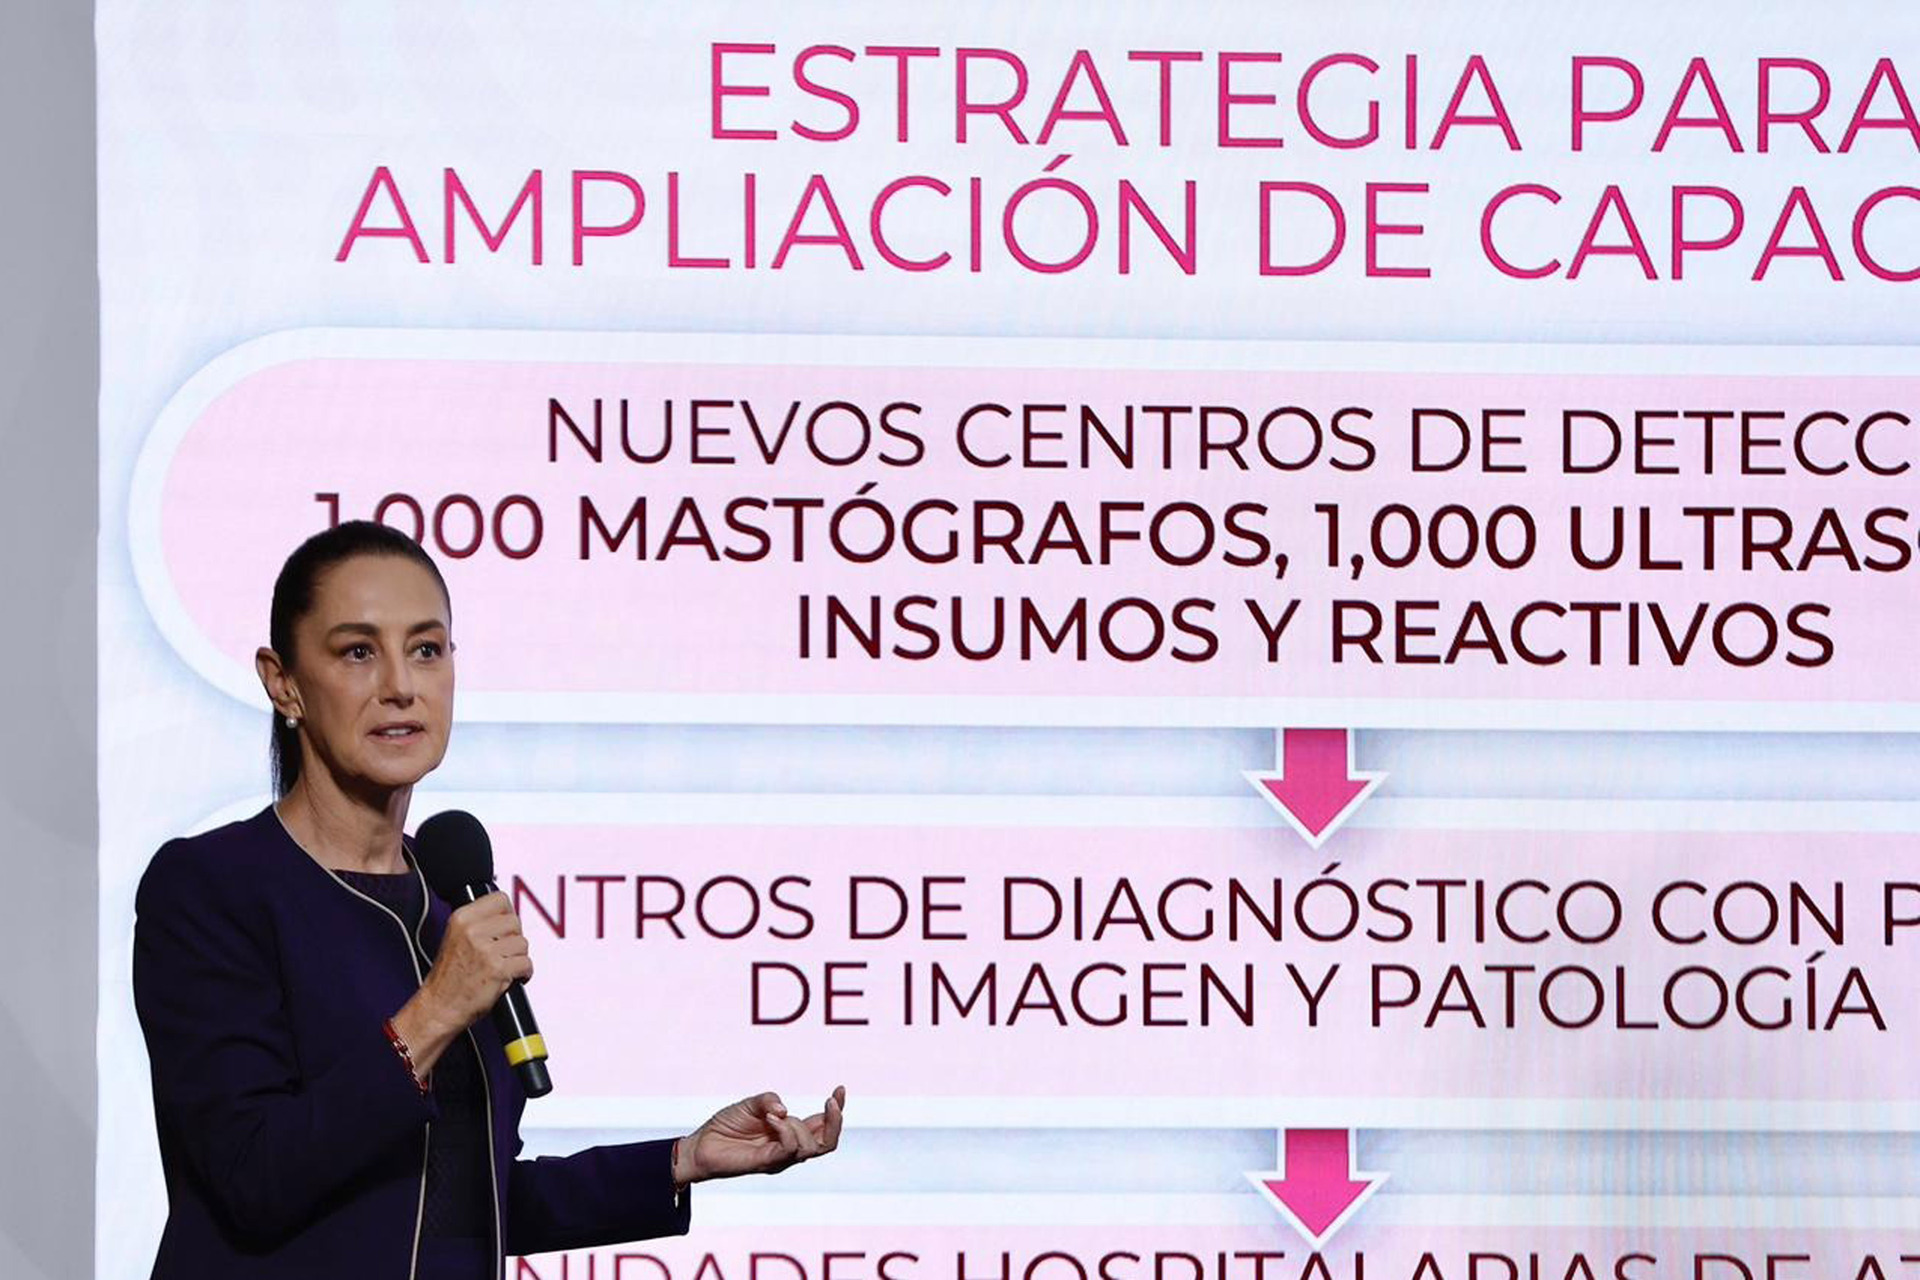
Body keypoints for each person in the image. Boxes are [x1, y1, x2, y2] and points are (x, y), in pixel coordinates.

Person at [131, 519, 847, 1280]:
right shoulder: (213, 888)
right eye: (358, 652)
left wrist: (680, 1160)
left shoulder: (448, 905)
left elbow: (465, 1202)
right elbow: (253, 1177)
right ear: (284, 682)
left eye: (427, 650)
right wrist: (437, 1010)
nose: (401, 686)